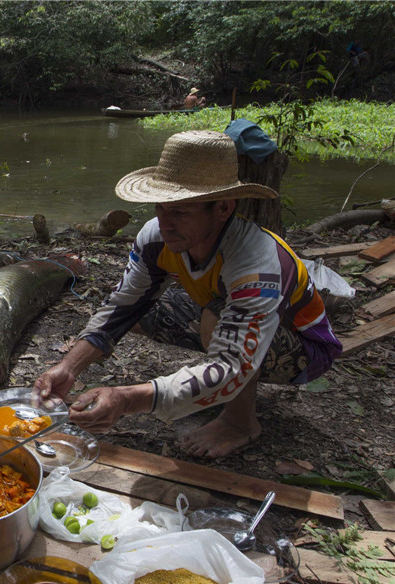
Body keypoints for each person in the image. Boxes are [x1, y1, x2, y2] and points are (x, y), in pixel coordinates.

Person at [34, 130, 341, 460]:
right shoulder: (156, 238)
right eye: (161, 208)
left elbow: (232, 364)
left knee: (217, 316)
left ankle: (240, 423)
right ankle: (207, 382)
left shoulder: (257, 262)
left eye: (180, 212)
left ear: (223, 208)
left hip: (302, 348)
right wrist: (69, 366)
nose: (165, 224)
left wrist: (126, 399)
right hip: (229, 317)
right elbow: (124, 304)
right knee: (141, 312)